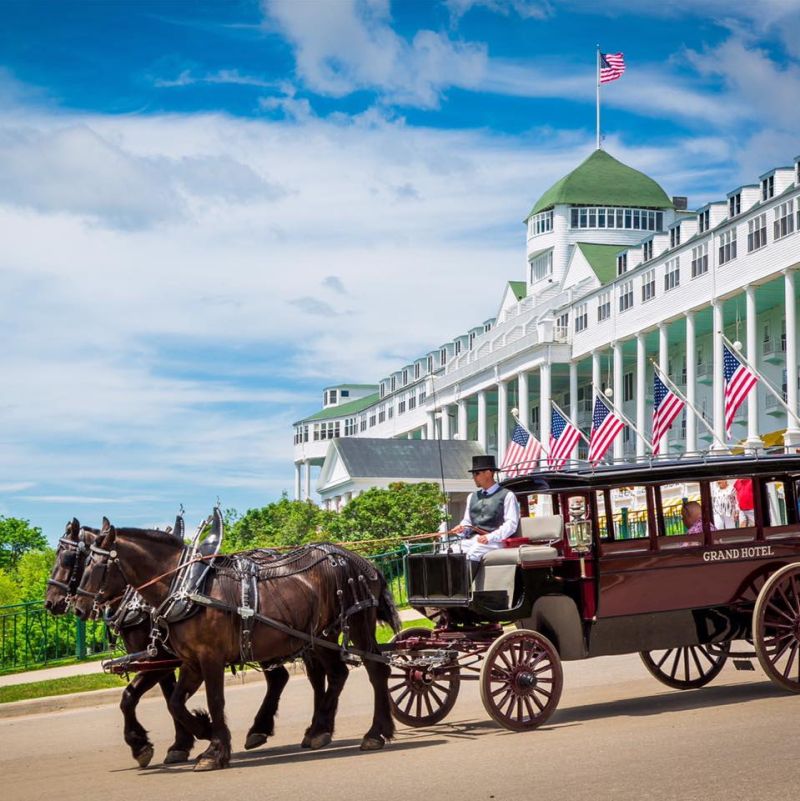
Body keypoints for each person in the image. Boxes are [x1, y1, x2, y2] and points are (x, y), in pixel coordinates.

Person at [451, 454, 520, 561]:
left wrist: (490, 537)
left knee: (472, 553)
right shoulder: (471, 497)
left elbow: (511, 524)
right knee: (451, 551)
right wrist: (462, 529)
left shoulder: (507, 495)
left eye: (476, 473)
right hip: (474, 539)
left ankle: (468, 578)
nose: (474, 477)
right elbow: (467, 522)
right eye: (473, 474)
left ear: (488, 473)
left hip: (496, 542)